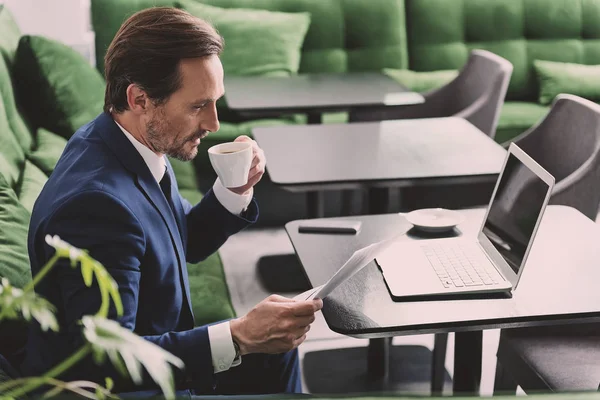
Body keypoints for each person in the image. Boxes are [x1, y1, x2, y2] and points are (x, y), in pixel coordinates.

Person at [20, 6, 322, 396]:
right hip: (128, 388)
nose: (213, 124)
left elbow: (182, 241)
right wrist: (238, 335)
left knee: (278, 351)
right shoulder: (96, 208)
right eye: (198, 105)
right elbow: (109, 359)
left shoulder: (125, 142)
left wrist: (234, 190)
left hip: (159, 356)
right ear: (140, 99)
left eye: (215, 102)